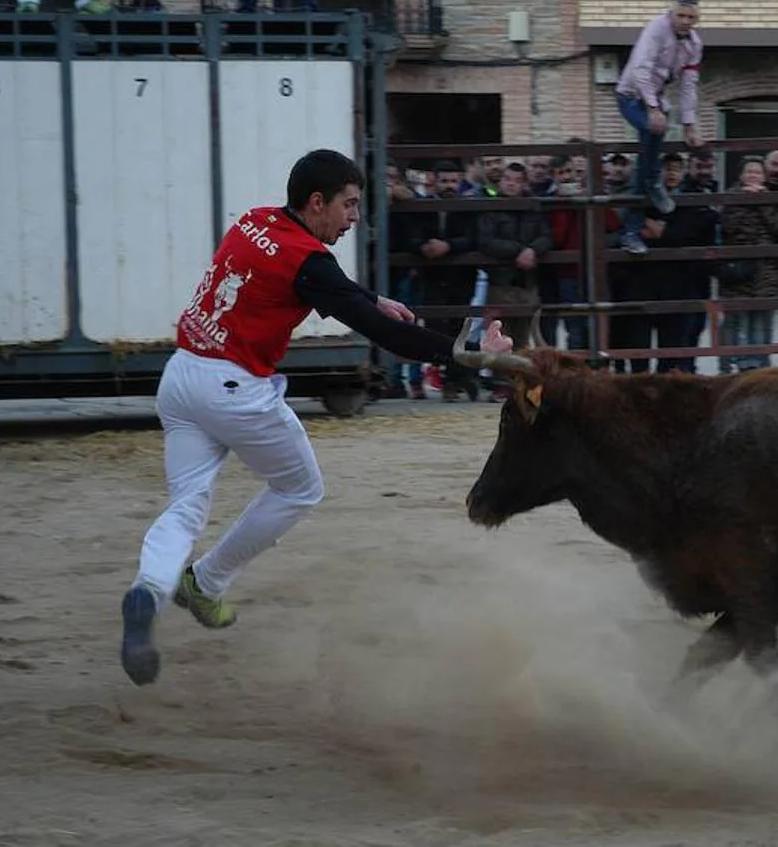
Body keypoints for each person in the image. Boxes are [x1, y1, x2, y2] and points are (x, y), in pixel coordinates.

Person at [119, 149, 514, 687]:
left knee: (187, 504)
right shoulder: (310, 263)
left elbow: (321, 283)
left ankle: (148, 591)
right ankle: (205, 584)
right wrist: (470, 354)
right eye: (349, 205)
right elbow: (386, 335)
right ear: (316, 202)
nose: (354, 217)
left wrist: (371, 296)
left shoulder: (257, 219)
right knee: (300, 489)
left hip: (182, 374)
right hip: (233, 388)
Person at [614, 0, 705, 255]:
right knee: (652, 129)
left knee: (646, 161)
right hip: (631, 96)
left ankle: (633, 227)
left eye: (691, 17)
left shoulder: (694, 45)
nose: (686, 21)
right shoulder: (656, 30)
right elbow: (641, 68)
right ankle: (653, 183)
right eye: (681, 15)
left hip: (656, 99)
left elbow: (689, 86)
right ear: (671, 14)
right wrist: (652, 108)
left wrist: (689, 125)